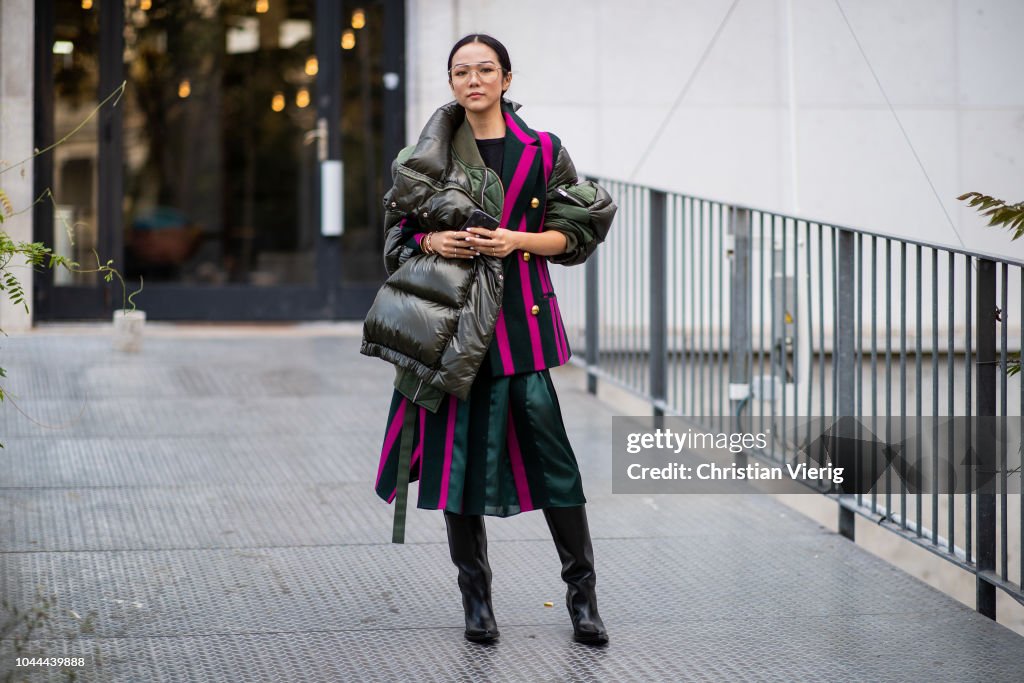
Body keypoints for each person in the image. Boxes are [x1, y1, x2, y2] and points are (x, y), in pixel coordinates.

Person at [361, 33, 616, 646]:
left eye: (485, 70)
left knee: (558, 470)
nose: (473, 80)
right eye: (460, 72)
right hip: (453, 333)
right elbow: (395, 240)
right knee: (459, 474)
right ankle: (477, 602)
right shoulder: (423, 157)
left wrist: (515, 241)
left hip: (522, 329)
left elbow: (578, 232)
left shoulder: (543, 150)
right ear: (451, 83)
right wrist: (432, 242)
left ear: (506, 78)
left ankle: (583, 600)